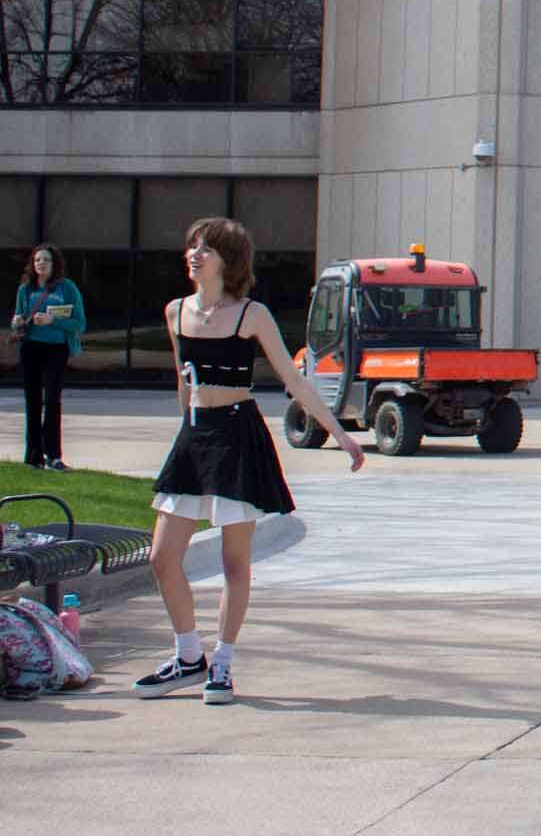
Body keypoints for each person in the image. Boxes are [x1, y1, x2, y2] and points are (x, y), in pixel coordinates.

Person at [135, 217, 362, 705]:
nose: (195, 254)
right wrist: (185, 432)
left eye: (207, 248)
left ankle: (222, 664)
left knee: (234, 560)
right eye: (192, 246)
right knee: (162, 556)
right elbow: (183, 380)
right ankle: (188, 655)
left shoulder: (250, 314)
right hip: (194, 437)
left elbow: (295, 380)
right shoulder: (176, 312)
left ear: (228, 261)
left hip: (239, 434)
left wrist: (340, 434)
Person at [12, 244, 85, 470]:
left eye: (45, 260)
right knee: (32, 402)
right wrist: (17, 323)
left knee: (52, 400)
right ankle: (34, 457)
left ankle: (53, 455)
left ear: (55, 264)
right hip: (31, 348)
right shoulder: (25, 290)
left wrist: (54, 321)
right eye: (37, 260)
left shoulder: (67, 288)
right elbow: (18, 321)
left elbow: (79, 323)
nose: (41, 264)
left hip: (56, 348)